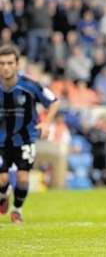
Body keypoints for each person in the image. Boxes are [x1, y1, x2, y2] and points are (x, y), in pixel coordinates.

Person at [0, 44, 60, 223]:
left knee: (22, 177)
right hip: (1, 142)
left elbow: (54, 101)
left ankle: (17, 210)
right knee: (2, 180)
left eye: (10, 63)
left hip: (25, 139)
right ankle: (4, 194)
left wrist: (47, 122)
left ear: (17, 64)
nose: (5, 67)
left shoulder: (30, 86)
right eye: (1, 63)